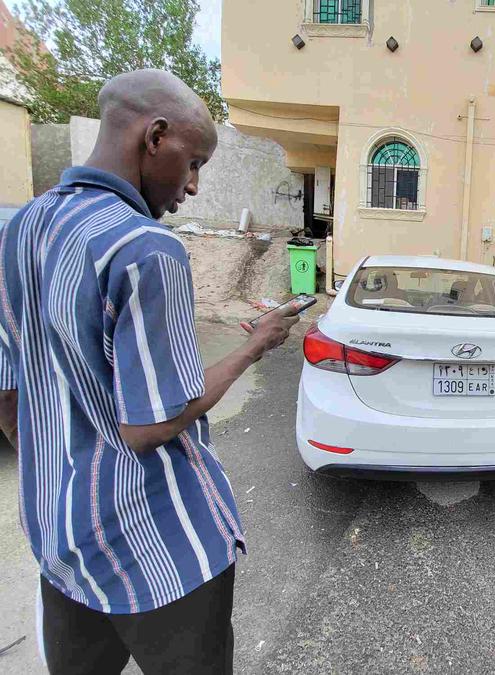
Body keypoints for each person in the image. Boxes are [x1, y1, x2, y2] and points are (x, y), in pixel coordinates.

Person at [0, 69, 302, 674]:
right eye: (194, 163)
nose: (192, 187)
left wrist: (66, 469)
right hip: (158, 549)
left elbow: (8, 388)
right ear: (155, 136)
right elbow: (152, 423)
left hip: (63, 541)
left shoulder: (22, 229)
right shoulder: (146, 248)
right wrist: (255, 346)